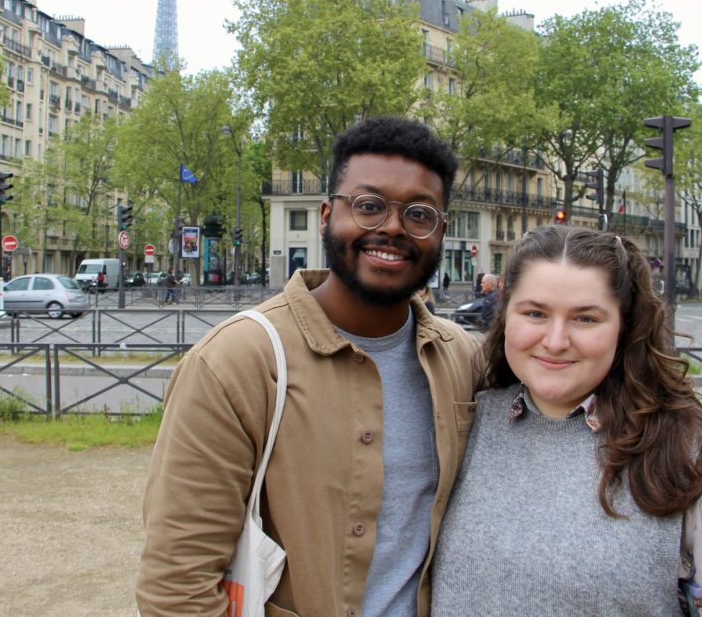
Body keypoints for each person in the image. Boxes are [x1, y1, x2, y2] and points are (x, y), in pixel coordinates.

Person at [137, 116, 482, 616]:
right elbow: (177, 586)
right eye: (368, 206)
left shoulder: (464, 359)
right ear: (325, 215)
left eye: (419, 214)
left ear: (441, 232)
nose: (391, 226)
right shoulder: (237, 362)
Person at [431, 226, 702, 615]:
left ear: (624, 327)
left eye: (586, 319)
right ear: (505, 314)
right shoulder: (466, 423)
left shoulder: (692, 458)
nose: (556, 340)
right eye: (535, 313)